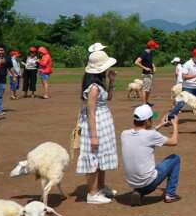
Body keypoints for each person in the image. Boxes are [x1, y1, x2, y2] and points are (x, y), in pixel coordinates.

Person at [77, 49, 119, 204]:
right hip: (96, 123)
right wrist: (93, 136)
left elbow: (108, 98)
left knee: (102, 156)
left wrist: (112, 81)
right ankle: (92, 193)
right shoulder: (94, 87)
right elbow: (91, 112)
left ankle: (100, 187)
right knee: (94, 156)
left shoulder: (99, 83)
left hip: (104, 122)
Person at [121, 104, 181, 206]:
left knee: (152, 167)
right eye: (151, 119)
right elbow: (174, 141)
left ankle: (139, 192)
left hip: (132, 183)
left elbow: (144, 136)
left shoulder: (124, 134)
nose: (152, 120)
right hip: (148, 183)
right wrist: (175, 124)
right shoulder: (151, 135)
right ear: (147, 121)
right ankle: (170, 194)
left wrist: (160, 125)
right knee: (175, 158)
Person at [166, 48, 196, 120]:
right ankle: (169, 117)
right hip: (187, 87)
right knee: (181, 103)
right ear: (194, 56)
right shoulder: (187, 64)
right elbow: (184, 77)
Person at [134, 39, 158, 106]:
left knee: (148, 89)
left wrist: (153, 66)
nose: (155, 48)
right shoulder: (144, 53)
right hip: (146, 74)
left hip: (150, 74)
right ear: (151, 47)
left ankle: (146, 102)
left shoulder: (150, 53)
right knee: (145, 89)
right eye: (154, 47)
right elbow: (136, 62)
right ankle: (144, 104)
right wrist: (145, 68)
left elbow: (150, 61)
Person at [0, 45, 14, 117]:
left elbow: (10, 67)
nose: (1, 52)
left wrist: (14, 76)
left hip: (2, 79)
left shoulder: (7, 58)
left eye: (2, 50)